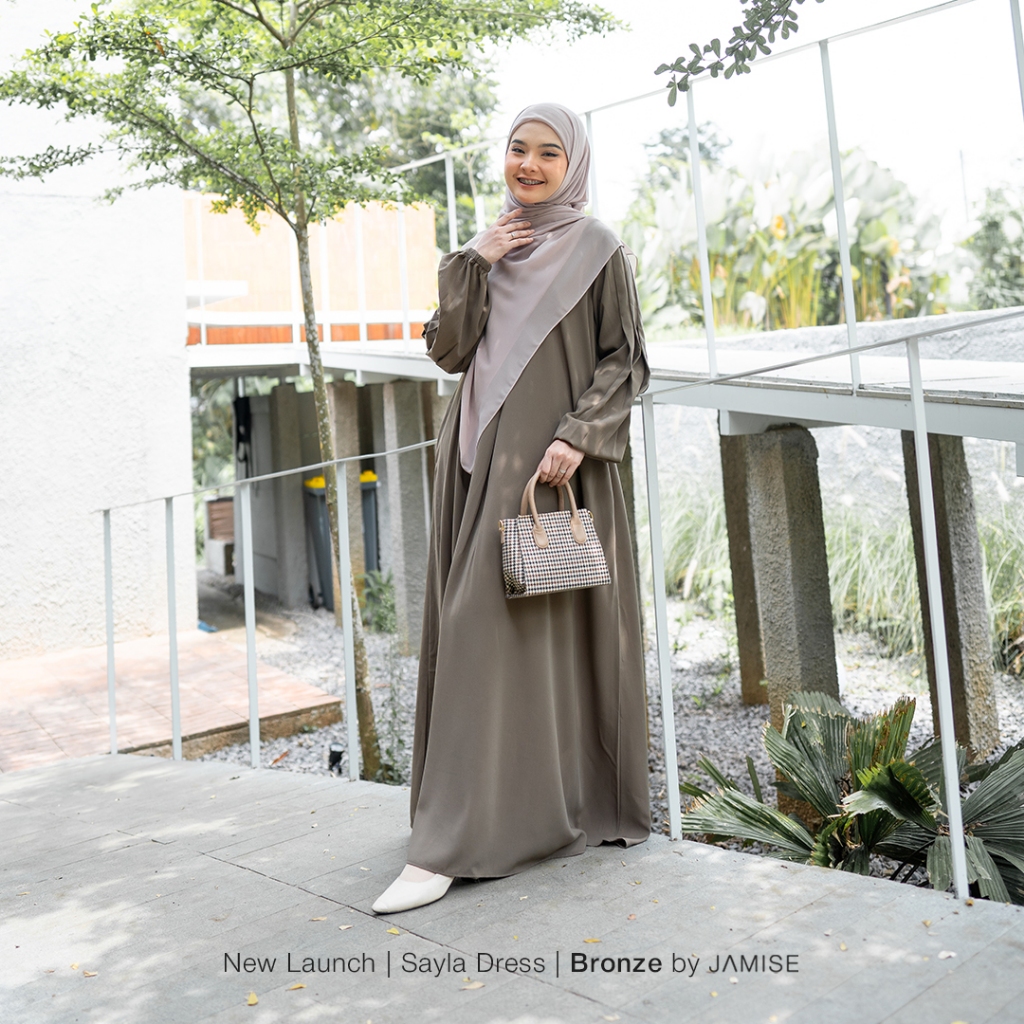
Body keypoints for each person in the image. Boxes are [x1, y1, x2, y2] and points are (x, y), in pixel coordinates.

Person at [372, 102, 650, 915]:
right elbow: (449, 351)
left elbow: (626, 359)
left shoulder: (598, 248)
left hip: (545, 468)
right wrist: (473, 261)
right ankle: (491, 817)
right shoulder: (493, 245)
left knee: (491, 633)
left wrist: (579, 434)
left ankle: (452, 845)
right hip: (472, 463)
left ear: (575, 164)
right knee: (498, 636)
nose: (528, 165)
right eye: (518, 149)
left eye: (548, 153)